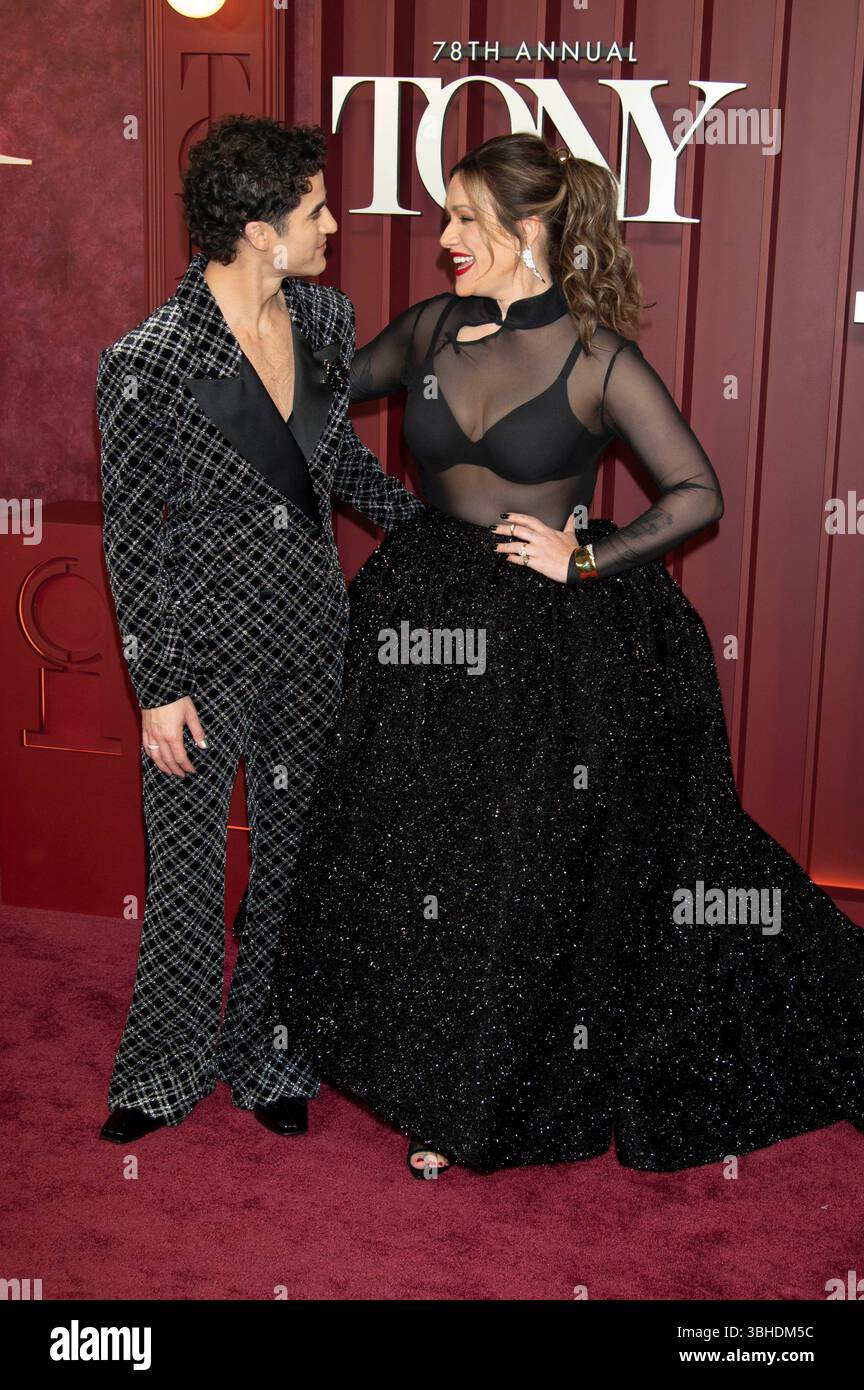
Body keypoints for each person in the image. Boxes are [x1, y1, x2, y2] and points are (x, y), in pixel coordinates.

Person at [266, 132, 864, 1178]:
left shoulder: (596, 356)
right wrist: (257, 308)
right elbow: (316, 393)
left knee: (509, 872)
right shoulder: (430, 330)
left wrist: (585, 556)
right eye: (446, 216)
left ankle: (467, 1103)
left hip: (548, 652)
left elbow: (698, 493)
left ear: (529, 226)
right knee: (420, 853)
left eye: (463, 219)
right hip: (423, 625)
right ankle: (404, 1061)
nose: (443, 237)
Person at [96, 115, 424, 1145]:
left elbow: (340, 474)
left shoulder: (326, 321)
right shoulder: (148, 359)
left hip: (311, 647)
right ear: (255, 228)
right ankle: (161, 1071)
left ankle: (271, 1052)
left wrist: (440, 534)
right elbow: (134, 536)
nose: (334, 222)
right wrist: (155, 686)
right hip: (201, 659)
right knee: (188, 876)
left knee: (292, 864)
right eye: (315, 209)